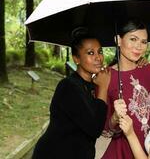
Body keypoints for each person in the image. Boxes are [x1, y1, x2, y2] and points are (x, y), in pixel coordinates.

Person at [32, 28, 111, 159]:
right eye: (90, 53)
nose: (98, 57)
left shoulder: (91, 84)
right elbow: (95, 128)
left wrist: (139, 62)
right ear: (76, 59)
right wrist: (103, 88)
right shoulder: (68, 86)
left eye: (100, 51)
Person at [101, 19, 150, 159]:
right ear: (118, 40)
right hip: (121, 152)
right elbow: (105, 130)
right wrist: (114, 117)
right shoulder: (106, 77)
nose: (139, 46)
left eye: (144, 42)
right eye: (133, 39)